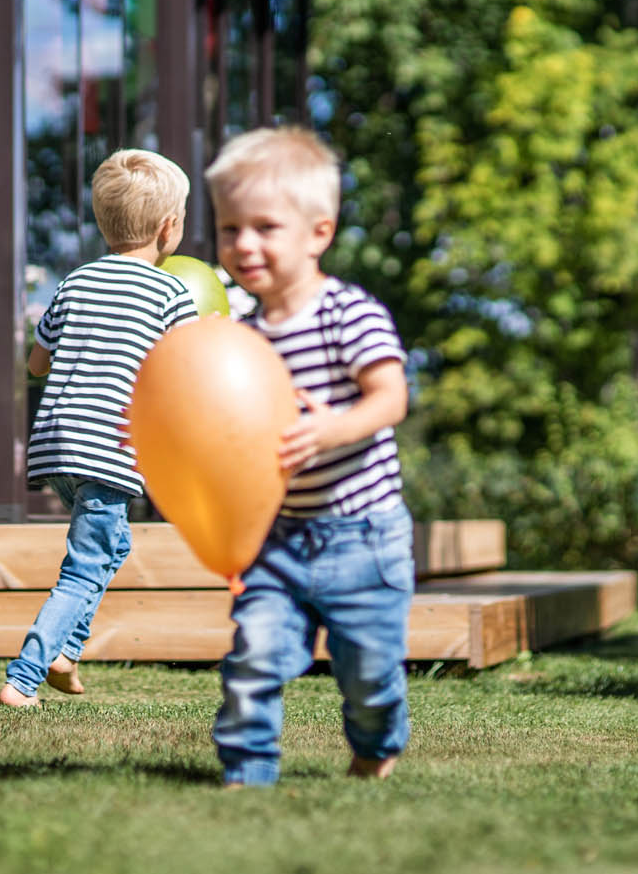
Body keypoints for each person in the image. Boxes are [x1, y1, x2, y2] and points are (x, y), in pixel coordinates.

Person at [204, 126, 413, 787]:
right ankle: (247, 770)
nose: (244, 244)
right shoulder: (238, 336)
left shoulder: (348, 314)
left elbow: (390, 399)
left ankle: (376, 742)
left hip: (364, 535)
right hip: (278, 537)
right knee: (255, 654)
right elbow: (216, 423)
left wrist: (332, 429)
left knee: (369, 671)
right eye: (230, 228)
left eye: (265, 226)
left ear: (317, 232)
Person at [0, 150, 198, 708]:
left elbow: (36, 365)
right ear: (169, 227)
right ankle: (24, 676)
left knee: (111, 545)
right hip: (110, 450)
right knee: (85, 568)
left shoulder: (76, 281)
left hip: (57, 445)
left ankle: (66, 652)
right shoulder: (171, 294)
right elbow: (187, 372)